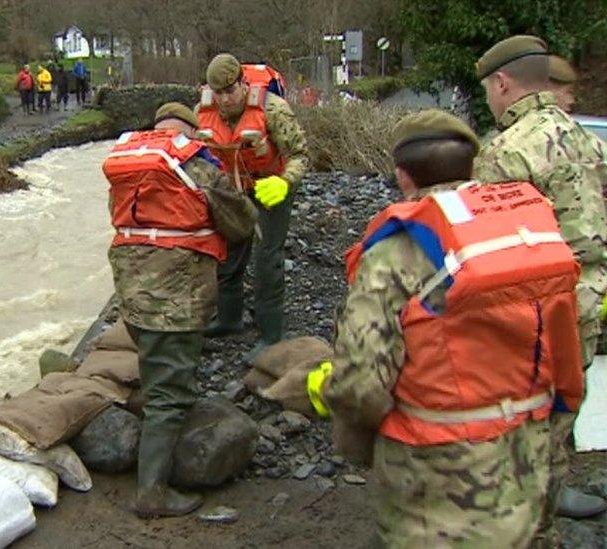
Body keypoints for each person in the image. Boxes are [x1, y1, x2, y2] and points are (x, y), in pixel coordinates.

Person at [294, 109, 585, 546]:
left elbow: (361, 382)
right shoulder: (527, 233)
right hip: (525, 452)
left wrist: (350, 432)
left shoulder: (396, 251)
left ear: (402, 176)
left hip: (437, 471)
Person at [472, 35, 607, 540]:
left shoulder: (506, 152)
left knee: (523, 413)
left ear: (503, 84)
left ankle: (523, 517)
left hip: (535, 308)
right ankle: (552, 497)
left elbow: (493, 248)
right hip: (590, 297)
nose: (488, 97)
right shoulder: (587, 139)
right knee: (568, 401)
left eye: (488, 88)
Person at [102, 103, 257, 518]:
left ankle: (164, 414)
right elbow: (238, 222)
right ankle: (152, 493)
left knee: (159, 364)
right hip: (175, 292)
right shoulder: (194, 160)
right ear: (190, 130)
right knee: (168, 392)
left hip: (131, 289)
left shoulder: (131, 162)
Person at [195, 54, 309, 363]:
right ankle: (229, 318)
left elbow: (300, 154)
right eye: (218, 93)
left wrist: (285, 182)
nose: (225, 99)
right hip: (233, 190)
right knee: (229, 253)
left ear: (243, 85)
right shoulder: (202, 113)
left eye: (230, 91)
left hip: (272, 187)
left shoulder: (273, 109)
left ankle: (272, 334)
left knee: (267, 258)